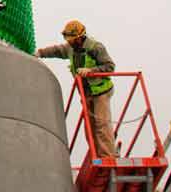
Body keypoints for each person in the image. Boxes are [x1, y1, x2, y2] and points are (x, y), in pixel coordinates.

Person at [35, 20, 117, 158]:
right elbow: (57, 50)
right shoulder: (70, 48)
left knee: (101, 124)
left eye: (71, 39)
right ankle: (96, 156)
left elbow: (110, 67)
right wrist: (40, 52)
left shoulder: (95, 48)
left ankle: (108, 156)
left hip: (101, 92)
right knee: (89, 128)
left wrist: (91, 71)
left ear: (79, 37)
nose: (69, 42)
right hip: (86, 93)